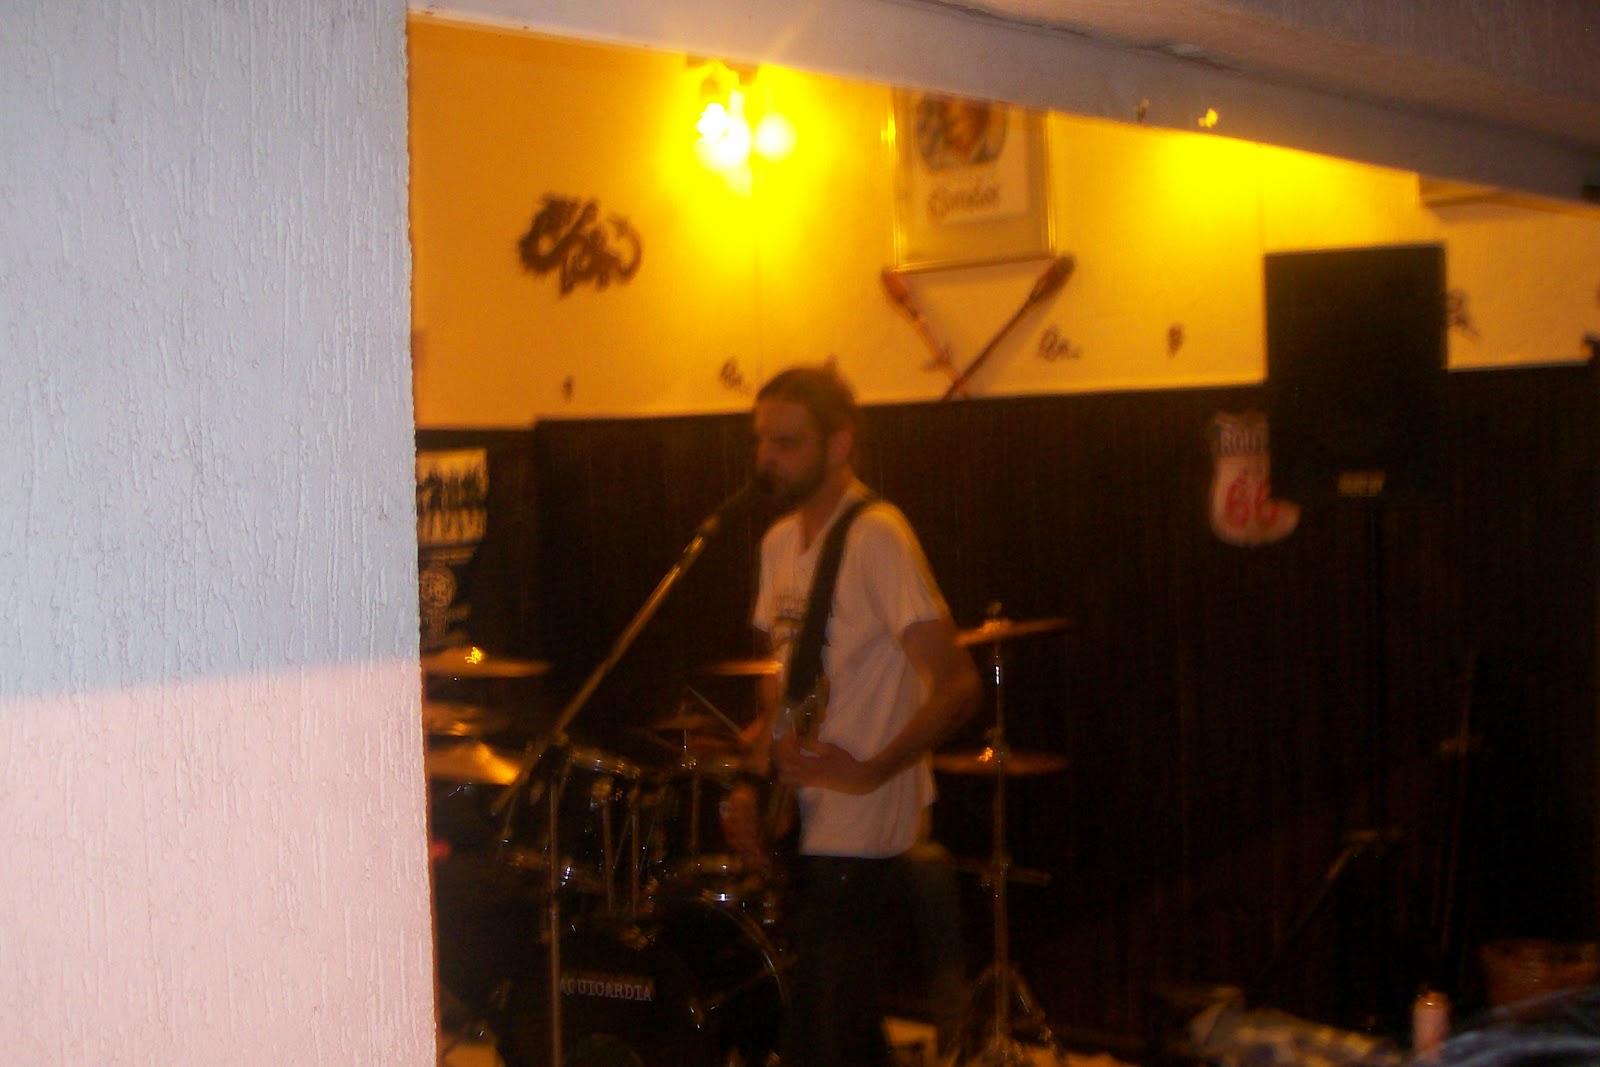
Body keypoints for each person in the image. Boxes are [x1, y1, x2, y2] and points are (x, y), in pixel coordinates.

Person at [743, 363, 983, 1066]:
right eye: (761, 441)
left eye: (787, 442)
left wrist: (873, 768)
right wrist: (751, 781)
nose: (766, 458)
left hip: (863, 819)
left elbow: (959, 685)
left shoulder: (878, 536)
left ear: (841, 443)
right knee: (840, 1026)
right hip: (806, 810)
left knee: (818, 1035)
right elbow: (777, 680)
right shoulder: (777, 544)